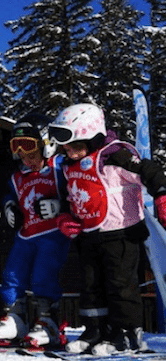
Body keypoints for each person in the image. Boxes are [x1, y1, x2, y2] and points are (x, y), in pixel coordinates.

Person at [48, 103, 166, 355]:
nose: (70, 151)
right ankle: (95, 331)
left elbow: (150, 170)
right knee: (90, 286)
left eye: (76, 145)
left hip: (122, 233)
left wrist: (161, 194)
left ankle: (126, 334)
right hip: (90, 234)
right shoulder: (69, 164)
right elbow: (72, 196)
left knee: (120, 285)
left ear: (93, 138)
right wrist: (66, 217)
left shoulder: (114, 156)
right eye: (66, 147)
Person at [0, 115, 70, 348]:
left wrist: (60, 206)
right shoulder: (17, 177)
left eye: (32, 154)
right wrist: (9, 206)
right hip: (26, 235)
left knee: (43, 275)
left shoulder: (58, 167)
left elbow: (77, 192)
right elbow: (10, 196)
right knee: (12, 274)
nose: (27, 159)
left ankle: (48, 322)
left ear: (46, 146)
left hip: (52, 233)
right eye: (22, 155)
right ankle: (15, 318)